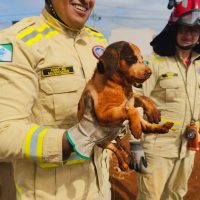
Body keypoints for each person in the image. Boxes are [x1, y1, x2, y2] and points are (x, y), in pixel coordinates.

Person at [0, 0, 124, 199]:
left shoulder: (97, 40)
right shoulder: (17, 42)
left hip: (99, 190)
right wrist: (75, 138)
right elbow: (3, 134)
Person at [135, 0, 200, 199]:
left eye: (195, 30)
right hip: (157, 148)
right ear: (173, 30)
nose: (189, 35)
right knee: (150, 196)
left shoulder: (199, 63)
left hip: (187, 149)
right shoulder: (153, 62)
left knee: (176, 194)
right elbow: (135, 102)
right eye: (184, 29)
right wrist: (135, 145)